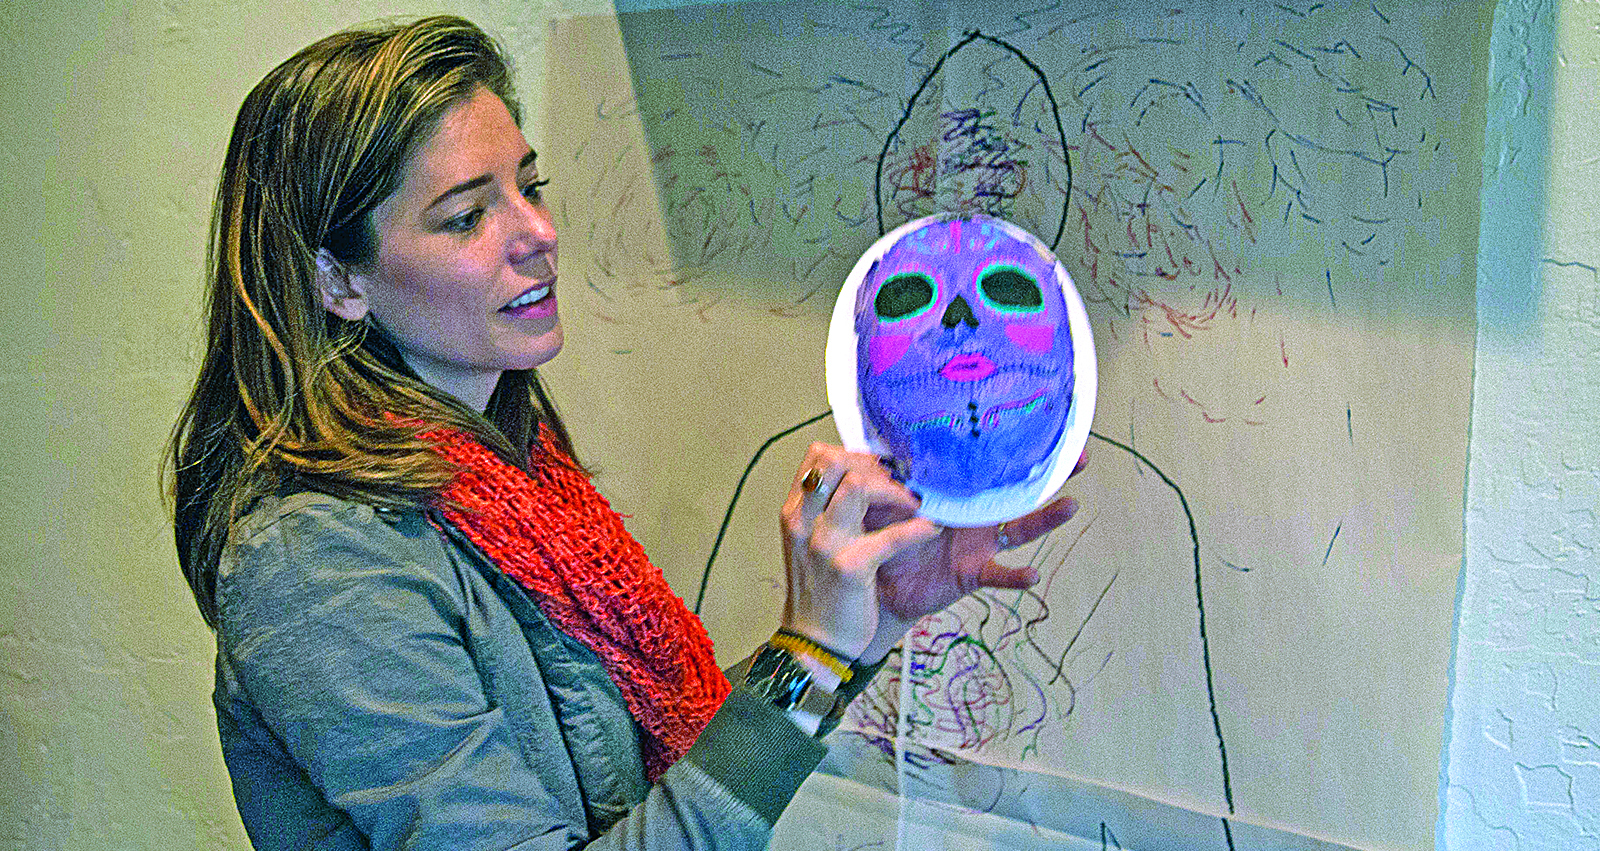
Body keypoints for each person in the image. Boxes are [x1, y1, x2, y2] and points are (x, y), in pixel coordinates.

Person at [166, 16, 1084, 850]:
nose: (537, 233)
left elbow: (649, 763)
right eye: (466, 215)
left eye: (530, 187)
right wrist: (812, 648)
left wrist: (866, 626)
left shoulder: (515, 483)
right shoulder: (315, 560)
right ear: (338, 282)